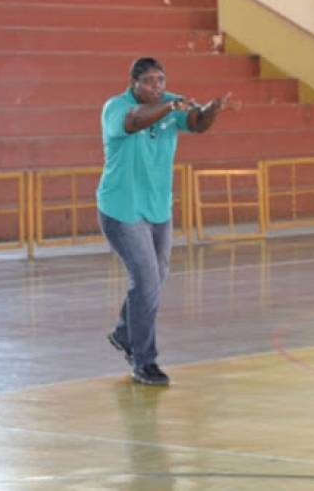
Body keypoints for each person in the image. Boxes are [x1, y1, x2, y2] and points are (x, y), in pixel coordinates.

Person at [97, 57, 229, 386]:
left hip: (158, 209)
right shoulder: (116, 107)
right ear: (134, 83)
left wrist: (212, 109)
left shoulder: (171, 103)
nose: (157, 87)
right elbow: (134, 121)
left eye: (161, 80)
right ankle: (144, 361)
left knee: (156, 280)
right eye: (150, 81)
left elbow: (197, 123)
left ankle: (123, 333)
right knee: (145, 283)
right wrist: (171, 108)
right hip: (122, 209)